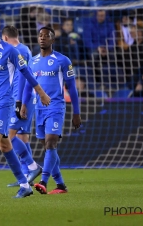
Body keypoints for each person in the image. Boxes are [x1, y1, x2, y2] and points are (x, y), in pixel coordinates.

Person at [0, 14, 51, 199]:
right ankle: (24, 184)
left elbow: (26, 72)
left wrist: (42, 93)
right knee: (6, 146)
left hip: (3, 104)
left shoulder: (9, 50)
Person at [21, 26, 81, 195]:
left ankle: (43, 181)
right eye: (40, 35)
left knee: (51, 142)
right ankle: (61, 185)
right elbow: (28, 85)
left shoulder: (63, 61)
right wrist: (24, 104)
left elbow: (72, 89)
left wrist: (76, 112)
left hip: (55, 107)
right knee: (48, 149)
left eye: (46, 36)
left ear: (53, 40)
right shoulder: (32, 61)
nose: (42, 38)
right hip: (38, 108)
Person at [1, 25, 41, 188]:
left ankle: (32, 167)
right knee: (23, 137)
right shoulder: (23, 49)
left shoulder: (19, 51)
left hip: (22, 99)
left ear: (4, 38)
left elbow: (24, 79)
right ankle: (26, 177)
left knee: (7, 137)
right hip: (25, 99)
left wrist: (19, 102)